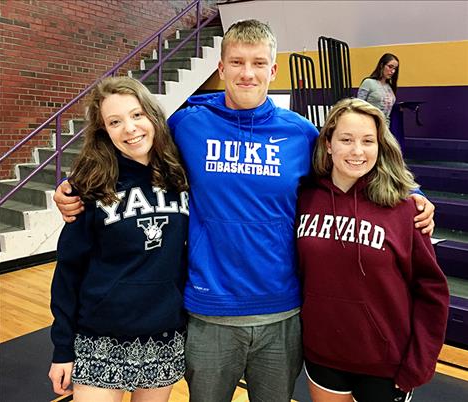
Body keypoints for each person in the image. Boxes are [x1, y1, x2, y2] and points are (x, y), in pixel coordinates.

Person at [52, 20, 435, 402]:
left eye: (257, 63)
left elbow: (354, 159)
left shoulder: (301, 133)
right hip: (208, 313)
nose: (247, 73)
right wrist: (75, 186)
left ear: (273, 69)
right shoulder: (187, 124)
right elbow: (133, 146)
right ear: (221, 68)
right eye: (236, 62)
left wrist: (411, 193)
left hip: (281, 313)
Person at [296, 98, 449, 402]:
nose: (357, 151)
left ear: (380, 146)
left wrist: (417, 365)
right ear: (328, 143)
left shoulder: (405, 209)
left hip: (384, 364)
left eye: (368, 141)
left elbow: (432, 292)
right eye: (346, 139)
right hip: (323, 356)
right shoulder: (305, 198)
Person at [48, 76, 189, 402]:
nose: (130, 128)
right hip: (100, 335)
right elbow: (69, 271)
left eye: (137, 115)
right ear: (104, 131)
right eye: (115, 121)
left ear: (153, 116)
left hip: (163, 334)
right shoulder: (91, 185)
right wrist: (62, 348)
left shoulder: (180, 173)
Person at [357, 53, 399, 125]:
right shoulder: (368, 82)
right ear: (381, 65)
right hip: (368, 125)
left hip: (385, 126)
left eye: (395, 68)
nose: (393, 71)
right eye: (390, 67)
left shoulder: (389, 86)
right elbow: (358, 106)